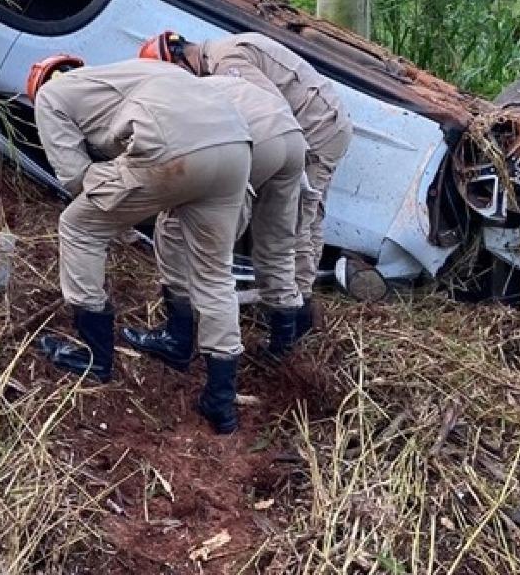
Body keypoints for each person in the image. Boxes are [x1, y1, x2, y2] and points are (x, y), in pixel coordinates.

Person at [28, 55, 252, 434]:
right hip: (234, 146)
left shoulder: (51, 96)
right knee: (215, 275)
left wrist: (119, 217)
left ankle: (94, 357)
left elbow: (76, 181)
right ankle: (220, 399)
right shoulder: (134, 71)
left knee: (79, 226)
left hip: (172, 147)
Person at [139, 31, 353, 340]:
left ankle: (299, 313)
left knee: (298, 220)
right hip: (300, 128)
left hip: (314, 128)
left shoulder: (225, 62)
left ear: (180, 61)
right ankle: (285, 309)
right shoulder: (222, 53)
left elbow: (268, 109)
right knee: (285, 221)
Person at [123, 72, 307, 363]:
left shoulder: (155, 100)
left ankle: (177, 338)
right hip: (292, 140)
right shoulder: (215, 82)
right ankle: (283, 346)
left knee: (173, 225)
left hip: (252, 141)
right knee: (277, 244)